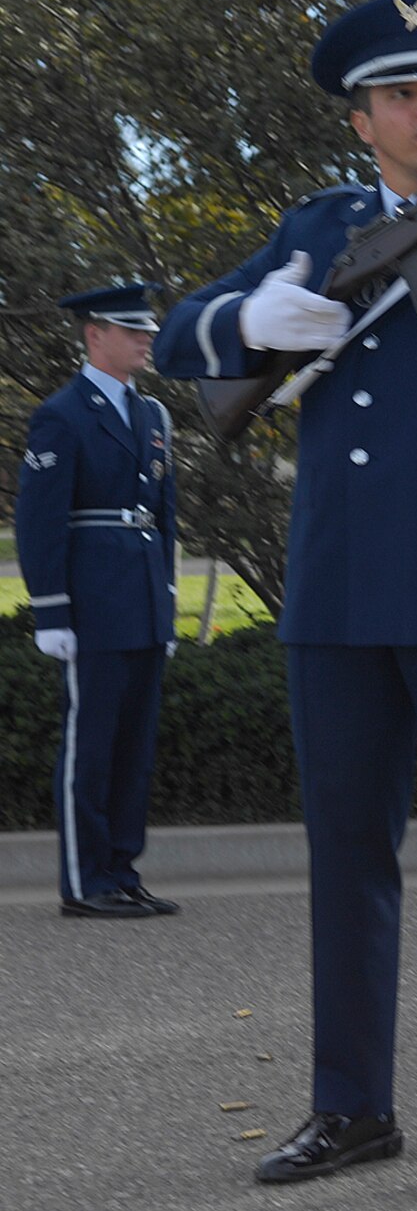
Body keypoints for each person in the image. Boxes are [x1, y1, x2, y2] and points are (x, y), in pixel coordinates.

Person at [153, 0, 417, 1191]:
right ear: (362, 121)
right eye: (405, 95)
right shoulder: (324, 223)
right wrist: (247, 314)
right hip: (339, 587)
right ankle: (351, 1106)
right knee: (346, 858)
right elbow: (183, 327)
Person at [16, 283, 179, 920]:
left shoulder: (154, 417)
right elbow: (39, 521)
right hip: (91, 606)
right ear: (94, 336)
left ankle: (121, 872)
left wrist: (164, 603)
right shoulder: (63, 414)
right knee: (91, 746)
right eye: (131, 330)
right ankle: (85, 881)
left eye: (147, 331)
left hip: (140, 602)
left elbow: (164, 520)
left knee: (133, 748)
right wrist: (52, 609)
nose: (145, 340)